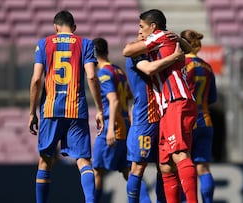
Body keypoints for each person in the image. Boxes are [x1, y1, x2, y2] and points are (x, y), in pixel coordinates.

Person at [123, 9, 199, 203]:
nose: (139, 32)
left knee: (178, 153)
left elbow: (127, 51)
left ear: (152, 27)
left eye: (141, 27)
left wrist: (175, 51)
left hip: (175, 102)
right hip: (164, 108)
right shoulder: (161, 43)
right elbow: (188, 50)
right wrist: (179, 47)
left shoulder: (159, 37)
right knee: (165, 165)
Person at [28, 10, 104, 203]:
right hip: (76, 108)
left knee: (46, 160)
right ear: (74, 28)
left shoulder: (44, 44)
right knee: (84, 161)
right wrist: (100, 110)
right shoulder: (85, 44)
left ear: (55, 27)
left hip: (51, 108)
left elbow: (37, 79)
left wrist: (31, 112)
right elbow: (92, 76)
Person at [125, 34, 185, 203]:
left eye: (142, 30)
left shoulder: (155, 53)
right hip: (145, 118)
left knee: (165, 167)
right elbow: (149, 69)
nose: (141, 34)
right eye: (139, 31)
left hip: (163, 116)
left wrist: (180, 41)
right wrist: (174, 57)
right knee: (138, 167)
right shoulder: (137, 54)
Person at [91, 37, 151, 203]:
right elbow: (129, 95)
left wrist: (110, 129)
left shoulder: (103, 74)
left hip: (113, 126)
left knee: (97, 171)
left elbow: (114, 100)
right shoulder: (118, 71)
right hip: (125, 126)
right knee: (128, 170)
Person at [181, 29, 217, 203]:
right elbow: (212, 98)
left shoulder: (181, 65)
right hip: (206, 120)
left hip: (187, 121)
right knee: (203, 167)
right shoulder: (207, 67)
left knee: (183, 165)